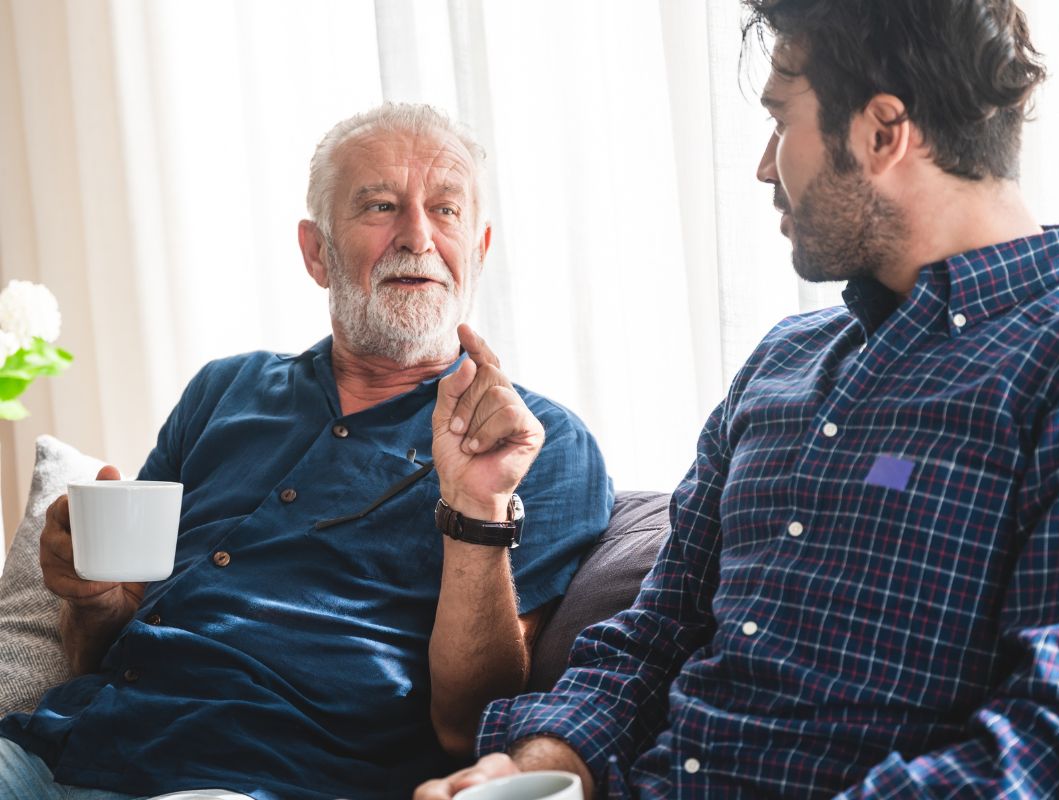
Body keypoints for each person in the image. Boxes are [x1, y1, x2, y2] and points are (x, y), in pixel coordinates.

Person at [416, 1, 1059, 798]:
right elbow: (655, 638)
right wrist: (536, 768)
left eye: (780, 121)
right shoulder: (783, 362)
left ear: (882, 131)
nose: (765, 167)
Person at [0, 103, 613, 800]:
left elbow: (469, 725)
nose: (418, 236)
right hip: (55, 751)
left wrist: (477, 507)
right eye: (380, 206)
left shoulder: (535, 444)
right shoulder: (223, 389)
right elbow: (99, 650)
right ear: (317, 251)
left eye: (446, 211)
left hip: (259, 780)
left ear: (478, 249)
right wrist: (92, 601)